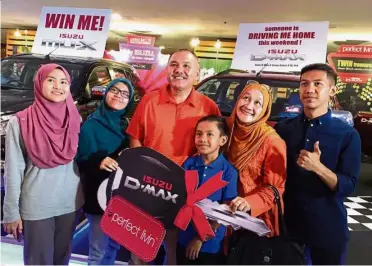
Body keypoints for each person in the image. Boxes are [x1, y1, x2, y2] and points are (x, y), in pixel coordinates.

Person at [126, 49, 221, 265]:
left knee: (176, 254)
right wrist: (141, 178)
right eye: (174, 64)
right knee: (141, 252)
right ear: (167, 69)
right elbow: (135, 139)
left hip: (187, 195)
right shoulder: (149, 101)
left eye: (187, 66)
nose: (180, 70)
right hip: (148, 190)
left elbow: (213, 151)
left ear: (197, 74)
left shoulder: (208, 107)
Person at [275, 63, 361, 265]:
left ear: (331, 90)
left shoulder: (347, 134)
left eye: (317, 84)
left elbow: (348, 185)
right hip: (287, 228)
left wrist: (318, 168)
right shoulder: (283, 129)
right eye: (304, 84)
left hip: (327, 231)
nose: (309, 90)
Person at [2, 63, 84, 265]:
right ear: (39, 83)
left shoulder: (75, 118)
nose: (58, 86)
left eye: (64, 82)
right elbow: (14, 170)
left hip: (70, 203)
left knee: (61, 260)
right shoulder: (20, 122)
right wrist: (11, 212)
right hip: (37, 205)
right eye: (51, 80)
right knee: (38, 261)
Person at [76, 78, 135, 265]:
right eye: (115, 90)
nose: (119, 95)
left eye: (125, 94)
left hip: (122, 196)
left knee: (114, 247)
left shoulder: (128, 127)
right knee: (98, 250)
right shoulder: (91, 124)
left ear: (130, 100)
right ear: (106, 92)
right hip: (97, 195)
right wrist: (98, 161)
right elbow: (80, 159)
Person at [227, 82, 287, 237]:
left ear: (264, 109)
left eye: (257, 103)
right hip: (222, 215)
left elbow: (276, 188)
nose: (249, 105)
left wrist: (250, 202)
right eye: (245, 98)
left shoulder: (272, 141)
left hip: (253, 222)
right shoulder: (226, 131)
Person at [177, 115, 238, 265]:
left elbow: (227, 211)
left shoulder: (228, 172)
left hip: (210, 245)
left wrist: (199, 239)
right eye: (199, 134)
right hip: (183, 236)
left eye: (210, 134)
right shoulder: (189, 164)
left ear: (222, 140)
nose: (202, 139)